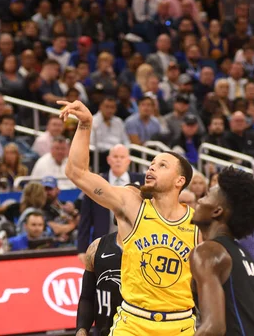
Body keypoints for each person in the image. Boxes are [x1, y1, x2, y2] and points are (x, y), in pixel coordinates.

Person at [58, 100, 198, 335]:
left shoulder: (197, 224)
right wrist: (85, 125)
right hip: (134, 323)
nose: (151, 168)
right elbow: (77, 172)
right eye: (151, 164)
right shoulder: (132, 206)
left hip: (181, 324)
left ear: (179, 181)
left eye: (162, 165)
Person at [190, 167, 254, 335]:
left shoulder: (208, 252)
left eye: (206, 195)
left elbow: (213, 328)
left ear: (217, 211)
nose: (199, 200)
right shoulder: (246, 259)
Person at [77, 144, 144, 262]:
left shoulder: (142, 181)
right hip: (104, 241)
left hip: (137, 243)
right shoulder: (97, 182)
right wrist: (82, 249)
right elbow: (85, 219)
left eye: (122, 157)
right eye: (115, 156)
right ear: (108, 160)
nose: (118, 160)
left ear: (128, 160)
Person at [76, 232, 123, 336]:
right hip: (103, 331)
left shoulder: (151, 248)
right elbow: (87, 297)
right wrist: (81, 329)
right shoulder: (97, 246)